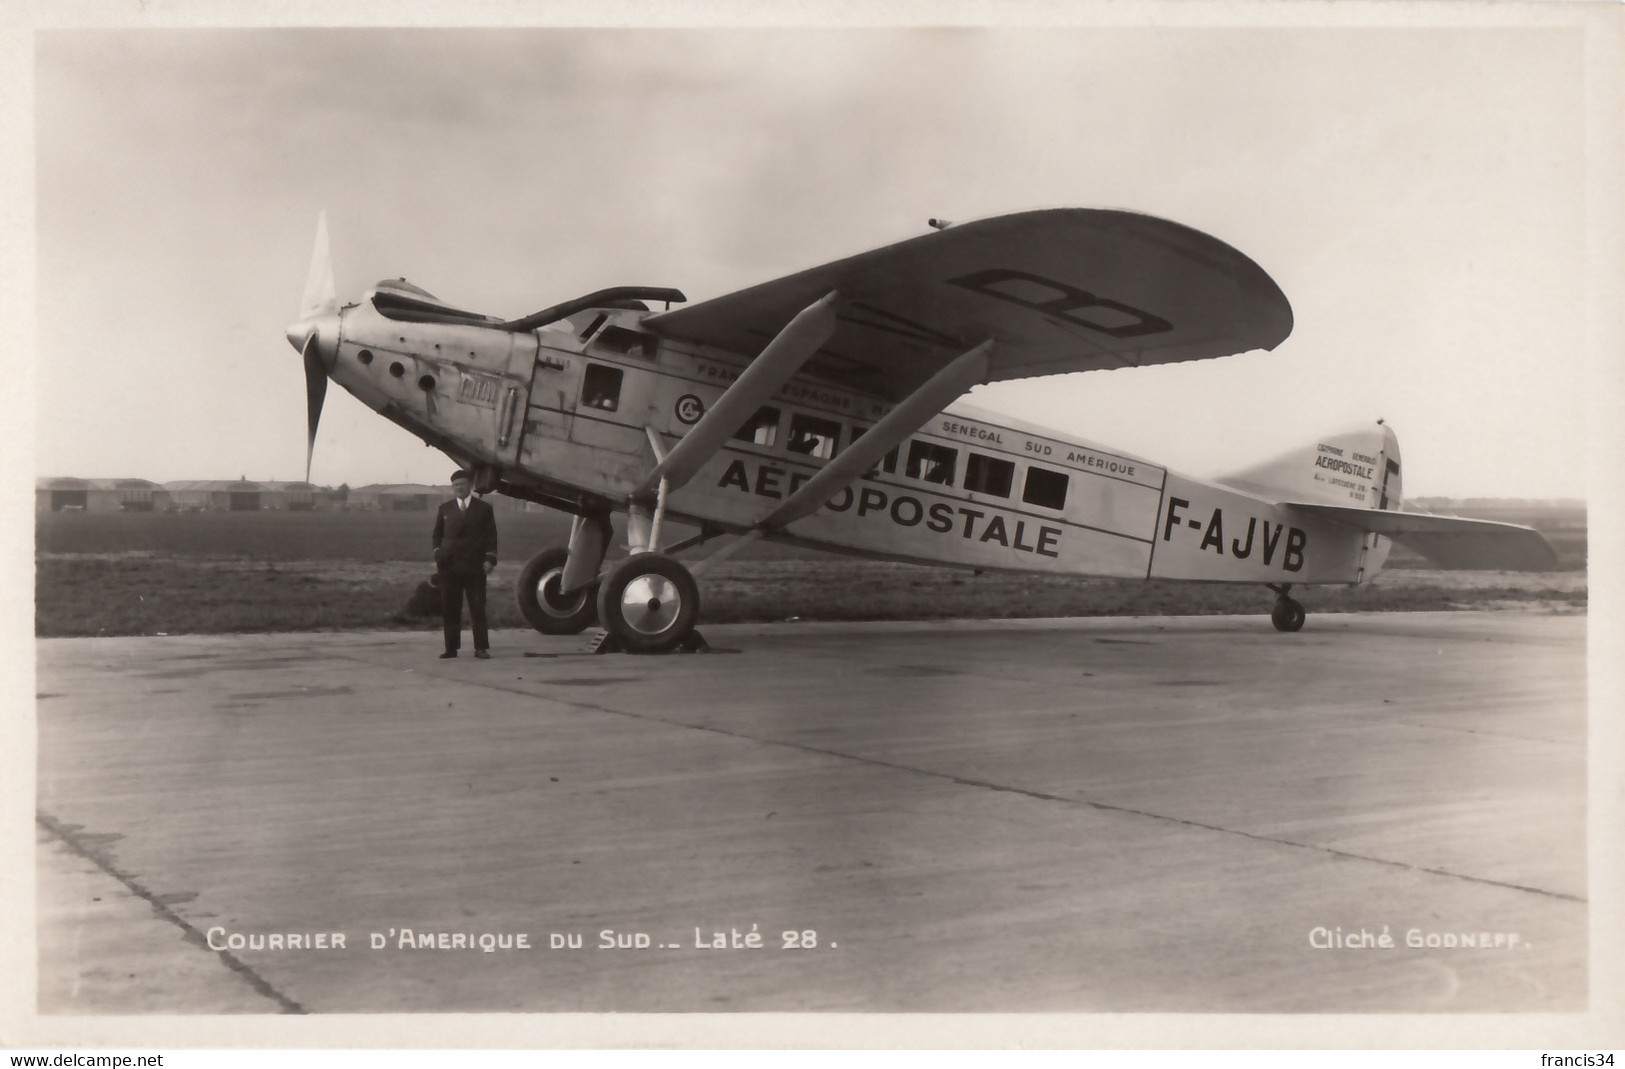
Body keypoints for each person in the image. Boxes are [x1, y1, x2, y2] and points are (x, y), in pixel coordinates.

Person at [431, 469, 498, 659]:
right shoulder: (444, 509)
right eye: (455, 485)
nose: (459, 487)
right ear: (452, 488)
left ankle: (481, 648)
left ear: (469, 485)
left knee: (477, 607)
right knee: (450, 608)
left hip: (475, 566)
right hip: (449, 567)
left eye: (462, 484)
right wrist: (438, 553)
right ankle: (451, 648)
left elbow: (492, 536)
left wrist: (490, 559)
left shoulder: (484, 509)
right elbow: (436, 535)